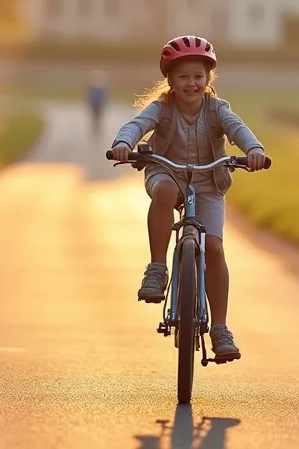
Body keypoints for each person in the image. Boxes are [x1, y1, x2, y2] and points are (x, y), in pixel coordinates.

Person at [109, 36, 268, 362]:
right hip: (166, 173)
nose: (191, 83)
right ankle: (157, 268)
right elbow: (137, 125)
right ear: (170, 80)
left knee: (213, 247)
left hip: (208, 183)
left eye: (198, 76)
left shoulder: (218, 109)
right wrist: (123, 142)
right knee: (165, 192)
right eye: (183, 77)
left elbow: (237, 129)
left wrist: (253, 150)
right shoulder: (162, 108)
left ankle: (220, 328)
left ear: (208, 79)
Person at [86, 69, 108, 137]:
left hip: (99, 105)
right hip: (94, 105)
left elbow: (104, 97)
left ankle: (98, 128)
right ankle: (95, 128)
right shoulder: (92, 88)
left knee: (98, 117)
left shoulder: (101, 88)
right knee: (94, 117)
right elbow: (90, 97)